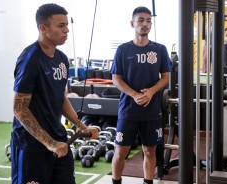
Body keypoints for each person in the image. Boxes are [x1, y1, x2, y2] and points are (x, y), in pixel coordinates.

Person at [11, 3, 99, 184]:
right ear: (43, 28)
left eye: (67, 25)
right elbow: (19, 109)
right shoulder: (30, 59)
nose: (66, 30)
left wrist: (82, 127)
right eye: (61, 26)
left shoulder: (61, 59)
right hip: (32, 146)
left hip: (60, 140)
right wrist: (49, 143)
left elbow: (61, 98)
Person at [110, 6, 171, 184]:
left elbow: (166, 77)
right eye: (141, 20)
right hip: (128, 110)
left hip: (151, 110)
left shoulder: (160, 49)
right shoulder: (123, 50)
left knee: (149, 151)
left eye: (148, 20)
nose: (145, 24)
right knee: (120, 151)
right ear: (132, 23)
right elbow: (116, 78)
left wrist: (151, 91)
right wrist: (134, 94)